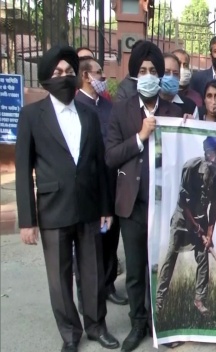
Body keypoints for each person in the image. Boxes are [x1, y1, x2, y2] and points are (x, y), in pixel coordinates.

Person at [15, 45, 119, 352]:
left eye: (69, 72)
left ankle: (96, 325)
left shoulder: (88, 113)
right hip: (53, 207)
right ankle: (70, 334)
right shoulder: (33, 115)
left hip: (88, 206)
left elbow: (99, 165)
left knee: (92, 271)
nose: (64, 77)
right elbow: (23, 168)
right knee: (59, 277)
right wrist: (26, 220)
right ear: (47, 78)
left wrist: (105, 208)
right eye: (58, 73)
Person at [105, 41, 184, 352]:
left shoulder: (174, 111)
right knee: (136, 270)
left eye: (154, 71)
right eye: (143, 71)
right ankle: (138, 323)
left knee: (162, 265)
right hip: (133, 204)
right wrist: (139, 138)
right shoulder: (122, 110)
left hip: (164, 206)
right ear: (135, 75)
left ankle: (159, 322)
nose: (149, 75)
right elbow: (111, 155)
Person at [75, 56, 128, 306]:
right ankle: (89, 289)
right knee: (89, 242)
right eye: (99, 74)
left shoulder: (108, 106)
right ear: (86, 76)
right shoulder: (75, 106)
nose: (103, 79)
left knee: (109, 238)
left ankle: (108, 285)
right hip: (88, 188)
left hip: (112, 183)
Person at [156, 136, 216, 315]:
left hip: (202, 219)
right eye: (214, 155)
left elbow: (214, 206)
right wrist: (196, 228)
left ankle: (199, 300)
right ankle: (159, 300)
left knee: (203, 257)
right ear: (207, 153)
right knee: (171, 255)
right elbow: (184, 201)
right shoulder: (191, 167)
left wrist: (209, 234)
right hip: (183, 217)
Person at [160, 53, 199, 119]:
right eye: (166, 72)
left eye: (175, 73)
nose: (171, 77)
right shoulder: (151, 104)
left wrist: (192, 124)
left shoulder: (191, 106)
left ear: (179, 76)